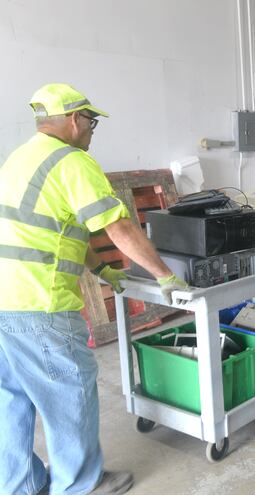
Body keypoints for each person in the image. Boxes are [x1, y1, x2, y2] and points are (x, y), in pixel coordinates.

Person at [0, 83, 189, 495]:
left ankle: (20, 486)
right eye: (91, 121)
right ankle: (80, 485)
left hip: (4, 304)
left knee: (12, 399)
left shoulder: (19, 159)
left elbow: (62, 227)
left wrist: (103, 269)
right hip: (41, 306)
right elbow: (116, 225)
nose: (91, 130)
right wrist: (164, 276)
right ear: (73, 119)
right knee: (67, 393)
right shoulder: (71, 162)